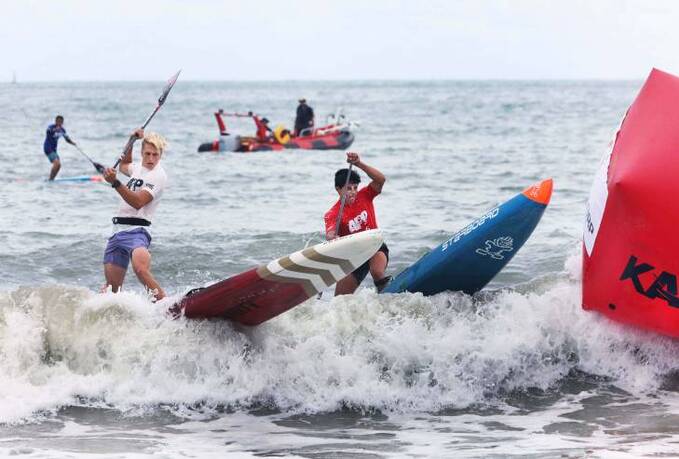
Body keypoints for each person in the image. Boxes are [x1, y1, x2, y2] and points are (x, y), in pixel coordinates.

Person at [101, 129, 168, 301]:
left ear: (161, 154)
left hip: (138, 231)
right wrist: (131, 140)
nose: (151, 159)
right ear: (142, 153)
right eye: (147, 154)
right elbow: (124, 164)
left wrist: (115, 183)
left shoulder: (158, 175)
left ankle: (165, 304)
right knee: (112, 291)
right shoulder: (138, 168)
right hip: (117, 232)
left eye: (156, 155)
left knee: (140, 269)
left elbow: (138, 202)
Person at [324, 152, 391, 295]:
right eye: (348, 188)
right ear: (338, 189)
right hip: (354, 257)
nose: (353, 192)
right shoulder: (333, 213)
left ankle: (390, 298)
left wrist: (359, 164)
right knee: (339, 298)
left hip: (374, 246)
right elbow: (330, 234)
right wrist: (332, 238)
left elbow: (381, 180)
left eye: (355, 187)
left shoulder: (365, 195)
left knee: (377, 272)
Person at [43, 115, 76, 180]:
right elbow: (48, 131)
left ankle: (52, 179)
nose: (59, 123)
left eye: (61, 122)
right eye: (58, 121)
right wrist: (55, 129)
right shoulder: (51, 127)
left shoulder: (62, 130)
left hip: (54, 150)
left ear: (62, 122)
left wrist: (73, 143)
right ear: (55, 121)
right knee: (57, 163)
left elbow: (67, 139)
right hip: (48, 148)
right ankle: (50, 179)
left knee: (58, 165)